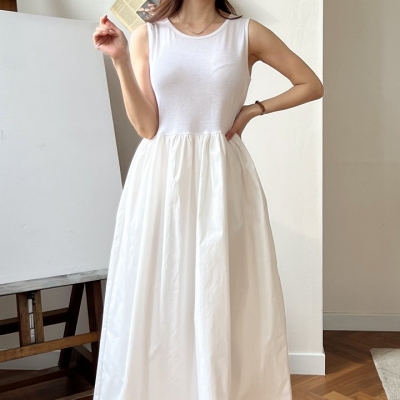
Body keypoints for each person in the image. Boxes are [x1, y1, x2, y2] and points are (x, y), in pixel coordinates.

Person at [92, 0, 323, 398]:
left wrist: (253, 110)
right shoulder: (149, 34)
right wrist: (120, 60)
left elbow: (310, 84)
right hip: (160, 176)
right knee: (159, 286)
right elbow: (147, 127)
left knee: (223, 286)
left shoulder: (246, 33)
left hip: (222, 175)